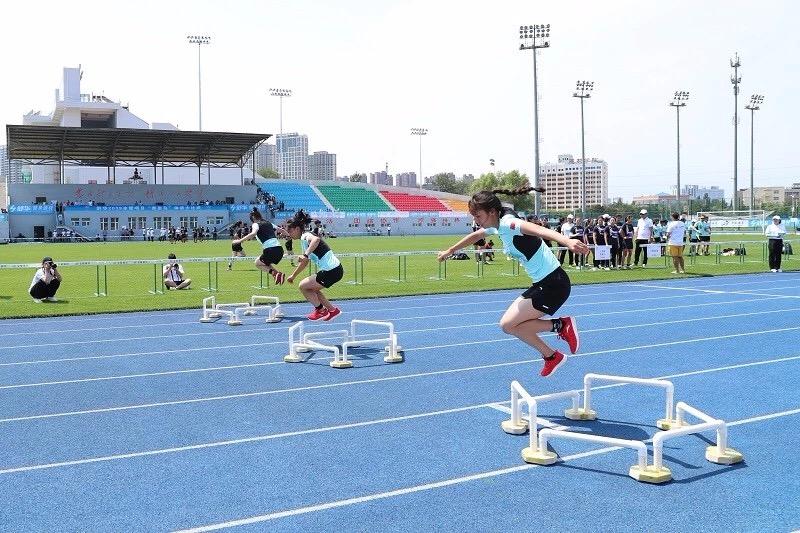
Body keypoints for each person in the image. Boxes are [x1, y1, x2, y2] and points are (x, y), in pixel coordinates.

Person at [437, 186, 588, 377]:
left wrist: (566, 241)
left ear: (492, 212)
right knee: (508, 325)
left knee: (508, 325)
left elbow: (538, 230)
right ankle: (552, 354)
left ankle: (560, 328)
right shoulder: (496, 223)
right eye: (474, 216)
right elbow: (476, 236)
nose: (476, 221)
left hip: (553, 284)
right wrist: (450, 251)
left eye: (478, 216)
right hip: (543, 283)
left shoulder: (509, 223)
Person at [285, 210, 343, 321]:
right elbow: (305, 262)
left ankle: (321, 310)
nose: (289, 233)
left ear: (297, 229)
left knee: (303, 286)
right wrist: (293, 275)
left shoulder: (306, 235)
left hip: (331, 270)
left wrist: (306, 254)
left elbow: (316, 240)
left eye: (290, 230)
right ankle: (332, 310)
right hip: (334, 270)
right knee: (312, 289)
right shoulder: (303, 240)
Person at [232, 207, 287, 284]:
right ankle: (278, 274)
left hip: (270, 249)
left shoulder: (255, 224)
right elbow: (281, 230)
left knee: (257, 263)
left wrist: (240, 241)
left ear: (253, 218)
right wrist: (290, 236)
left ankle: (275, 273)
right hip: (280, 250)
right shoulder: (269, 223)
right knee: (265, 264)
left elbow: (253, 233)